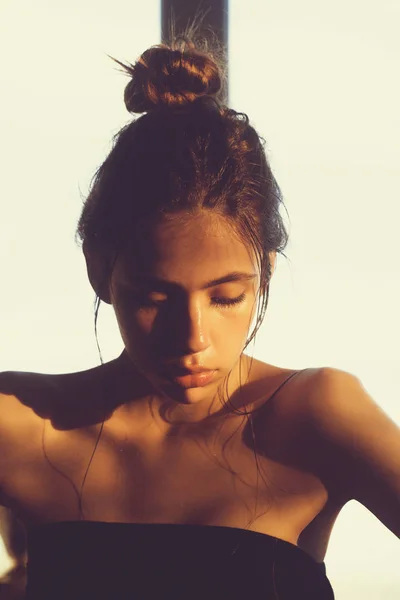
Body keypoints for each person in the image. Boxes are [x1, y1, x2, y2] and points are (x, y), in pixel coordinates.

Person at [5, 20, 399, 600]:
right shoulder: (18, 423)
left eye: (225, 297)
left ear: (263, 273)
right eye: (154, 298)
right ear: (99, 270)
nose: (192, 336)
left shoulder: (315, 415)